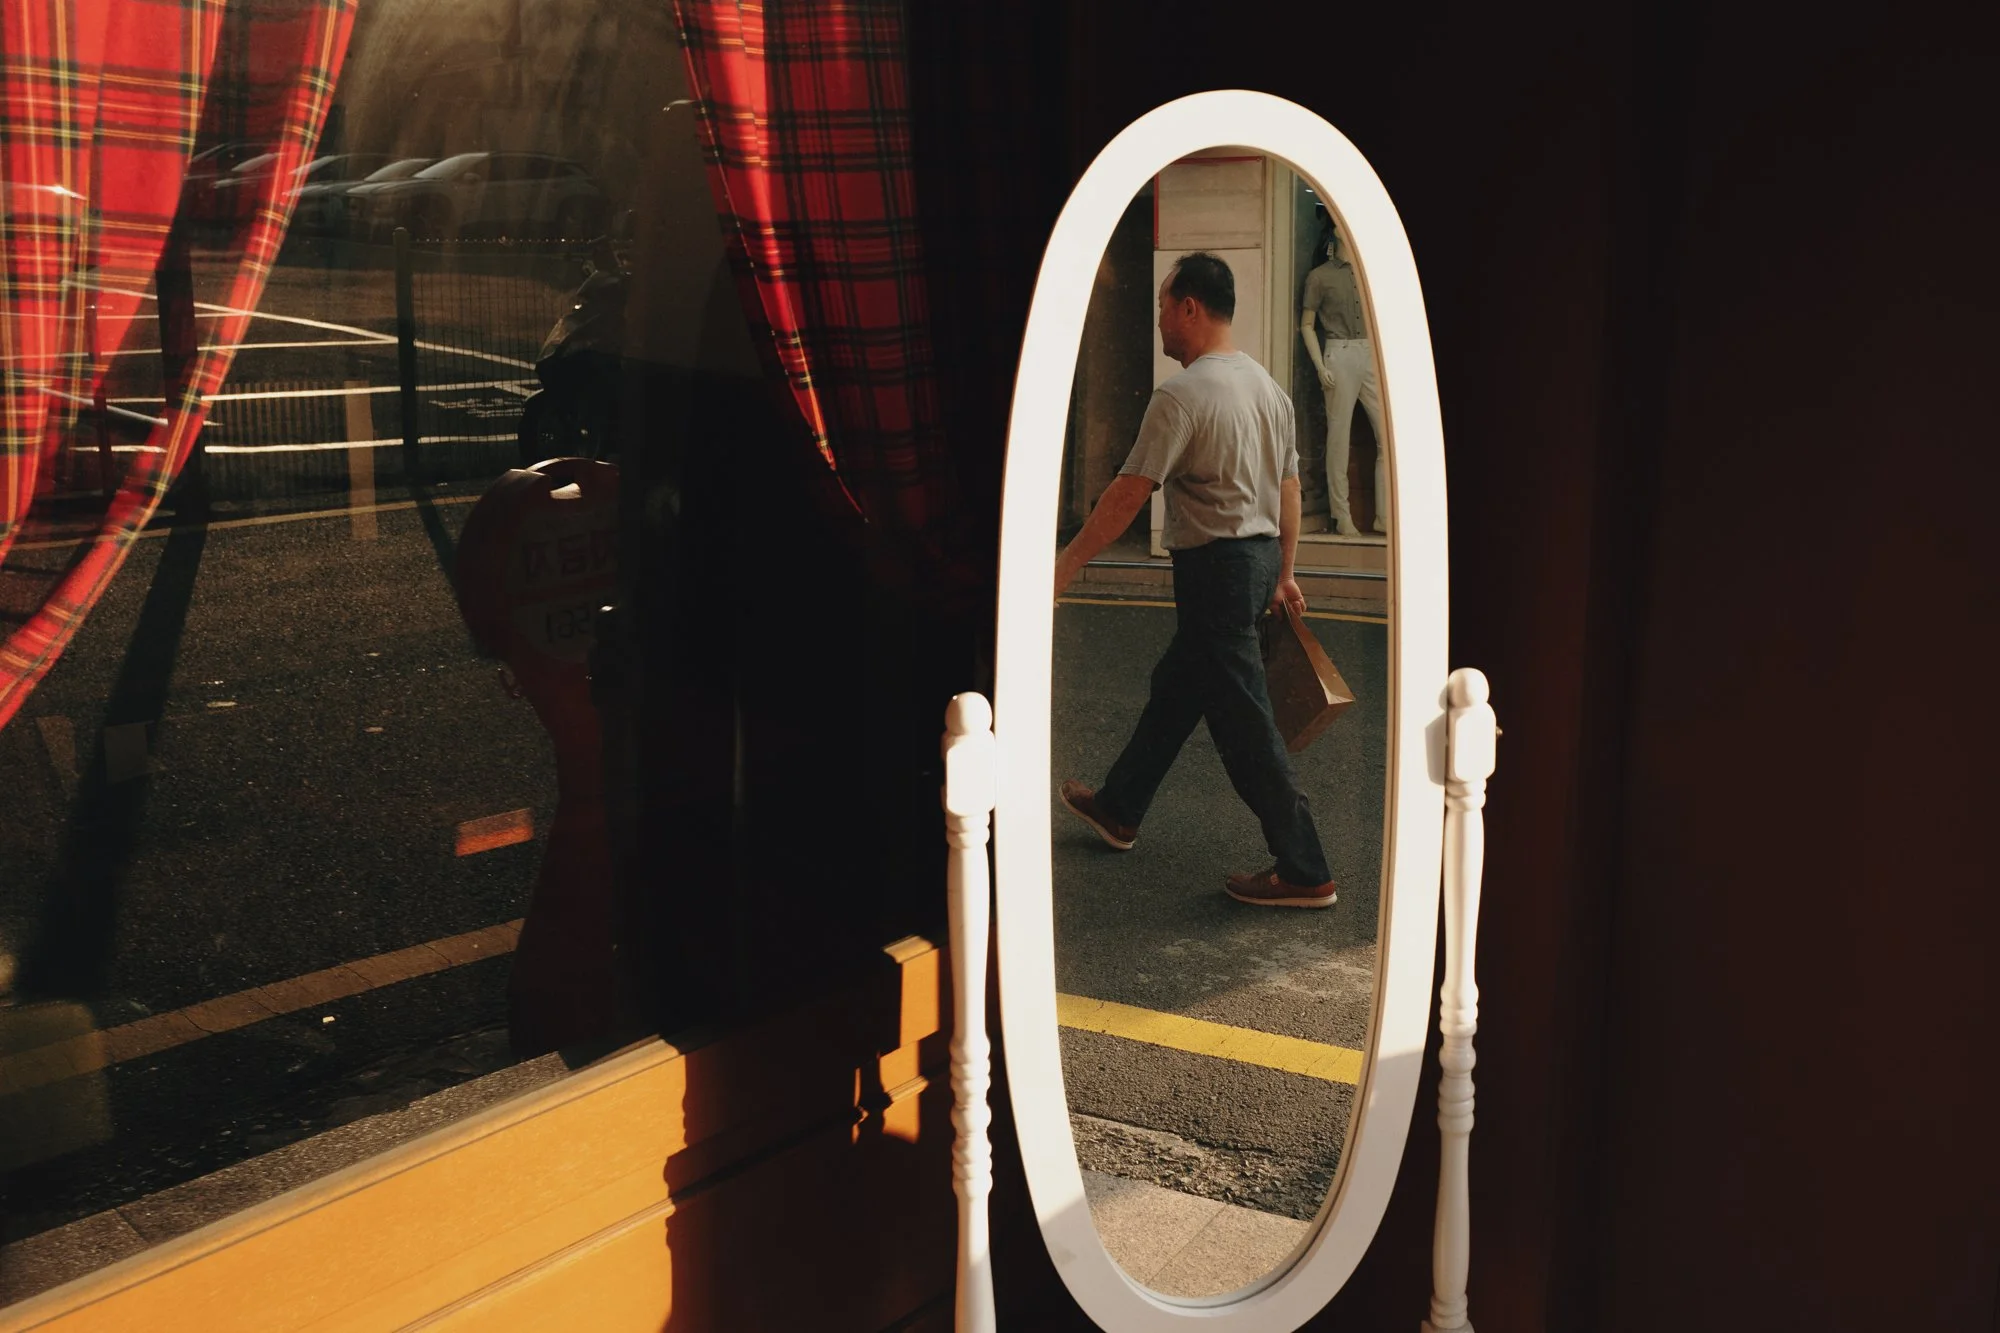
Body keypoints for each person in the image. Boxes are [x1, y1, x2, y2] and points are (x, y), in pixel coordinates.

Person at [1053, 252, 1336, 909]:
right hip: (1258, 559)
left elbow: (1128, 494)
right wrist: (1286, 571)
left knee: (1245, 726)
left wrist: (1064, 566)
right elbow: (1288, 489)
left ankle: (1305, 866)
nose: (1158, 320)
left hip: (1216, 572)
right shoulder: (1268, 388)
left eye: (1162, 305)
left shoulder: (1179, 395)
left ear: (1189, 308)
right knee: (1177, 687)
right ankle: (1120, 807)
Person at [1299, 223, 1387, 535]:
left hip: (1370, 354)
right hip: (1339, 353)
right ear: (1334, 231)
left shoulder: (1368, 271)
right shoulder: (1320, 276)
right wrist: (1320, 364)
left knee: (1387, 438)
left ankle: (1385, 517)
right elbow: (1307, 324)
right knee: (1339, 438)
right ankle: (1342, 515)